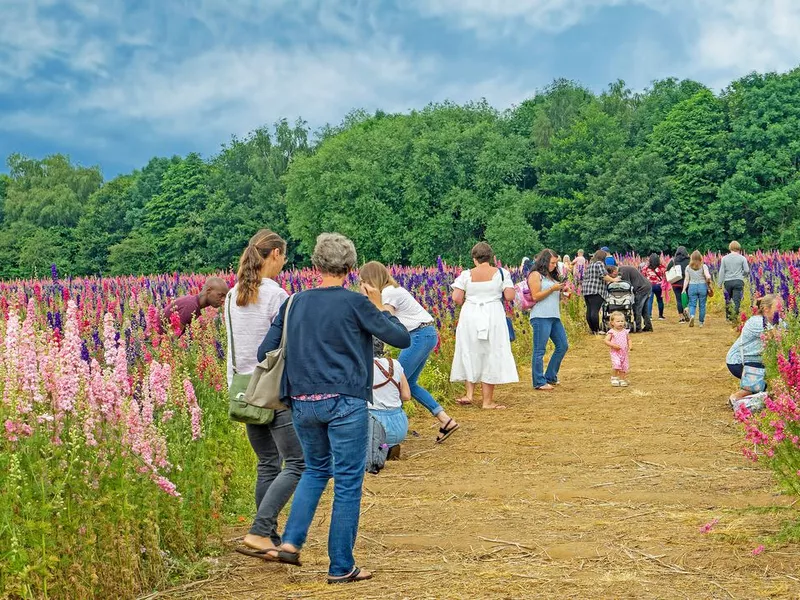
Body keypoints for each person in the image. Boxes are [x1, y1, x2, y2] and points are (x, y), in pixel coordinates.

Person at [257, 233, 410, 584]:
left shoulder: (293, 302)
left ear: (314, 266)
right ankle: (341, 566)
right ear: (351, 269)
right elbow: (400, 338)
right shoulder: (356, 304)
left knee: (313, 470)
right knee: (346, 482)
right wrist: (380, 306)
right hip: (345, 402)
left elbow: (265, 350)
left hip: (301, 403)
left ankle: (292, 542)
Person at [226, 229, 305, 561]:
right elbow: (285, 347)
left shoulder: (233, 294)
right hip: (272, 389)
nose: (284, 263)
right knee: (299, 462)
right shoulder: (277, 296)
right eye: (283, 256)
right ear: (274, 255)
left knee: (268, 463)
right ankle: (260, 529)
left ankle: (268, 537)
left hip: (243, 388)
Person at [359, 261, 459, 443]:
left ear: (370, 280)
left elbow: (384, 321)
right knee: (410, 384)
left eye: (362, 281)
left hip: (419, 335)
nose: (361, 285)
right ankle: (445, 420)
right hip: (425, 333)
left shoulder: (388, 293)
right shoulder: (392, 289)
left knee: (395, 381)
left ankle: (391, 427)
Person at [450, 242, 519, 409]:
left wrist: (473, 299)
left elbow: (456, 298)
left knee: (469, 350)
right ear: (490, 257)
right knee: (491, 352)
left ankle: (469, 394)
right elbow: (509, 296)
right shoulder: (502, 273)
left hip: (470, 315)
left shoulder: (466, 275)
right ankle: (487, 401)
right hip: (493, 315)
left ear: (474, 259)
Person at [527, 249, 569, 391]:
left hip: (554, 315)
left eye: (556, 263)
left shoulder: (551, 277)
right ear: (544, 261)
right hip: (540, 316)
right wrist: (552, 289)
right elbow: (535, 296)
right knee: (539, 350)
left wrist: (562, 294)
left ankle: (550, 376)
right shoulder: (535, 275)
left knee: (563, 345)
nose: (554, 265)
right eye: (552, 262)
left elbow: (552, 295)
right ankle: (538, 381)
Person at [726, 294, 780, 403]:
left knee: (772, 384)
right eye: (778, 307)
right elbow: (778, 334)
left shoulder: (773, 321)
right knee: (759, 385)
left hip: (756, 361)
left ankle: (757, 396)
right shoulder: (757, 322)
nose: (781, 310)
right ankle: (736, 398)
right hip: (739, 362)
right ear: (766, 309)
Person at [370, 338, 411, 456]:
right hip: (399, 425)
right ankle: (391, 445)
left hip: (375, 425)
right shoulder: (395, 364)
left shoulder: (362, 366)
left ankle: (378, 446)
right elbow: (406, 396)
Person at [163, 277, 228, 335]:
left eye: (225, 297)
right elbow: (173, 338)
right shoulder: (191, 306)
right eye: (220, 295)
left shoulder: (194, 304)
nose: (223, 300)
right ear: (208, 290)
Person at [580, 250, 620, 334]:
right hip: (596, 290)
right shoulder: (600, 264)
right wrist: (614, 280)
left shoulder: (590, 265)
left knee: (589, 310)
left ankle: (592, 330)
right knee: (595, 311)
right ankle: (597, 330)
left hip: (586, 290)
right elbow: (604, 276)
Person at [607, 264, 653, 333]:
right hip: (646, 286)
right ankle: (648, 326)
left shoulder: (622, 272)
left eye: (612, 276)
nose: (613, 278)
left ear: (614, 271)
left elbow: (625, 284)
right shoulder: (623, 269)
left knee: (637, 308)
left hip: (641, 288)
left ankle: (637, 327)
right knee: (644, 310)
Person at [718, 241, 750, 321]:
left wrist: (719, 283)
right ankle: (735, 318)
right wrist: (742, 275)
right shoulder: (742, 258)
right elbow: (747, 270)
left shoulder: (724, 258)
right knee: (736, 300)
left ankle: (728, 317)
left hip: (728, 281)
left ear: (730, 248)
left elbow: (722, 271)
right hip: (738, 281)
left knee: (728, 299)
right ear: (738, 248)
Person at [682, 251, 712, 328]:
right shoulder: (703, 266)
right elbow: (707, 275)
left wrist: (684, 289)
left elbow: (686, 279)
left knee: (692, 304)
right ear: (700, 258)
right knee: (702, 305)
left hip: (692, 286)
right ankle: (701, 322)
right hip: (702, 287)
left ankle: (692, 316)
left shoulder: (688, 267)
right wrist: (708, 278)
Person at [604, 312, 632, 387]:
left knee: (623, 366)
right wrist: (613, 345)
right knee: (616, 364)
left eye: (622, 321)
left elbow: (629, 339)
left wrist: (630, 346)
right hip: (615, 352)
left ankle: (622, 379)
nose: (620, 323)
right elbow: (606, 341)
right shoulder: (611, 332)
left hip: (624, 353)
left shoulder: (625, 331)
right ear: (612, 323)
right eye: (618, 321)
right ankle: (614, 378)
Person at [666, 246, 690, 322]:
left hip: (676, 283)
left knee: (678, 300)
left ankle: (681, 318)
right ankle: (686, 311)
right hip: (686, 282)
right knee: (687, 298)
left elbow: (667, 269)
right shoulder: (689, 260)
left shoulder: (673, 260)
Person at [643, 253, 666, 321]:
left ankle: (649, 316)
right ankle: (660, 316)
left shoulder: (646, 267)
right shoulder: (661, 267)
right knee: (660, 300)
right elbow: (665, 275)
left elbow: (643, 276)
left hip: (649, 285)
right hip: (659, 286)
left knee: (649, 301)